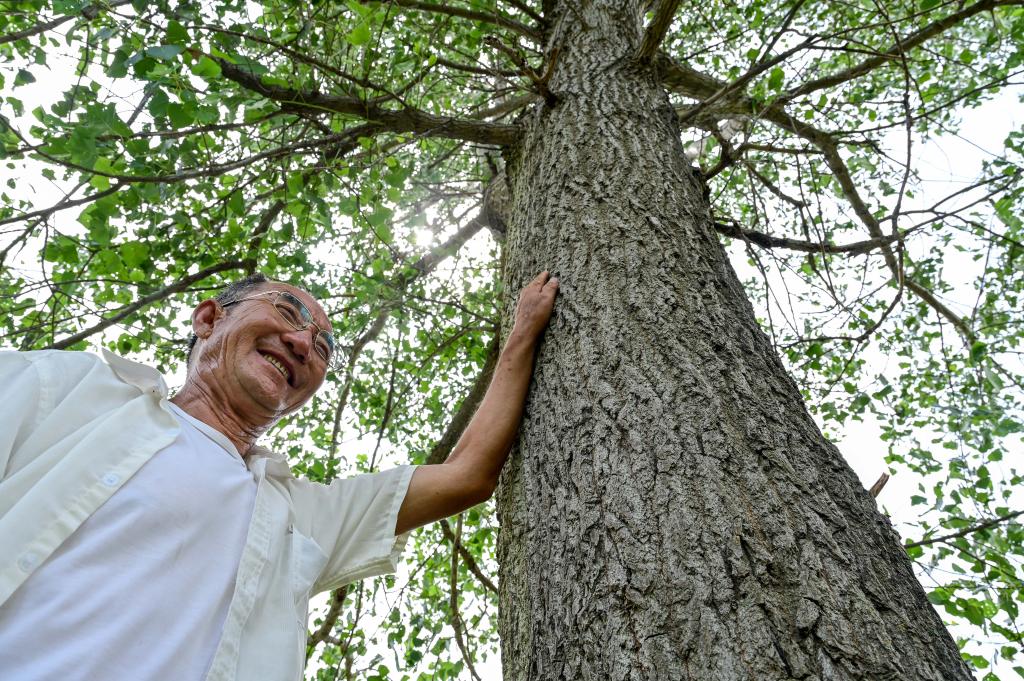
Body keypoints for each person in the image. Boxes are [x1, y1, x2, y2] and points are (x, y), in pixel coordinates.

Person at [0, 270, 559, 681]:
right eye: (288, 312)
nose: (303, 342)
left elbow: (465, 475)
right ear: (209, 318)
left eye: (323, 348)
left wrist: (521, 336)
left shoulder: (299, 518)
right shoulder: (69, 391)